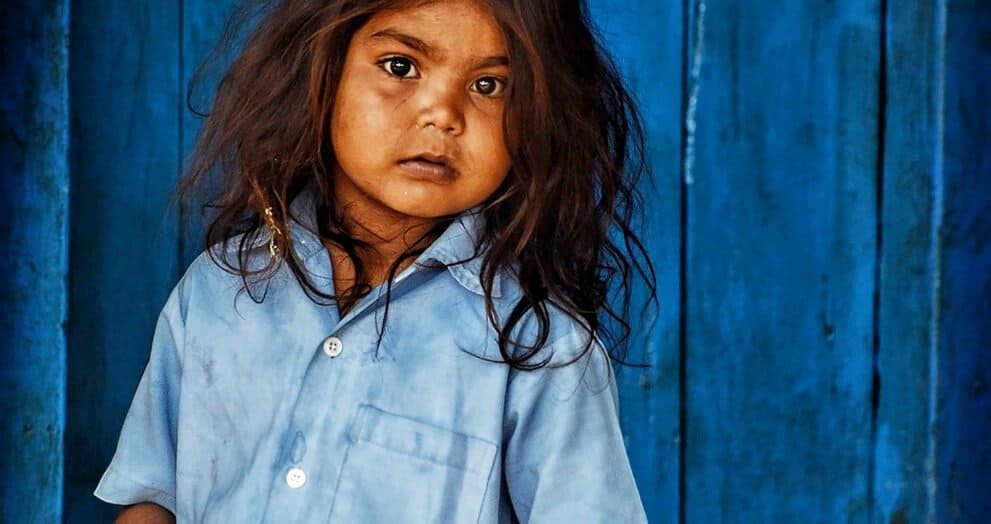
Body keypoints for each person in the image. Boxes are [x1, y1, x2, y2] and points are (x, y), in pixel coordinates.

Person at [95, 0, 656, 521]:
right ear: (324, 71)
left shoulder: (539, 347)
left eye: (488, 85)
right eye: (400, 66)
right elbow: (150, 495)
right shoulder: (219, 290)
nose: (443, 113)